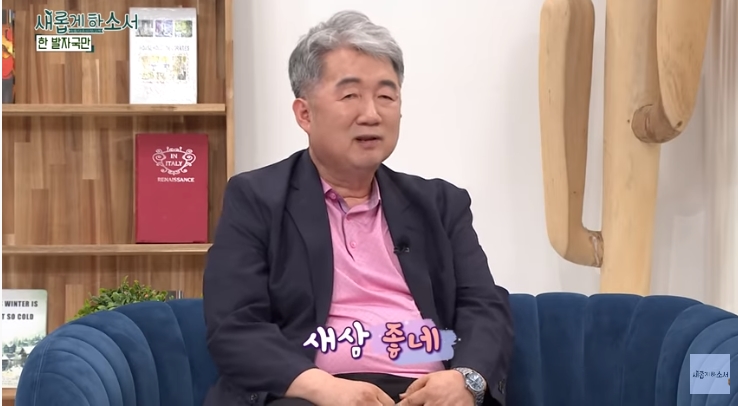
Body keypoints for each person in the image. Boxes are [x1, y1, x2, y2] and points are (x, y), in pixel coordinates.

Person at [203, 10, 514, 406]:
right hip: (315, 396)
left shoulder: (441, 204)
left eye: (386, 96)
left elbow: (484, 306)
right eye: (350, 95)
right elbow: (234, 325)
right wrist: (323, 388)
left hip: (427, 394)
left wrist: (466, 380)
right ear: (304, 114)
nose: (371, 114)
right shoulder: (256, 198)